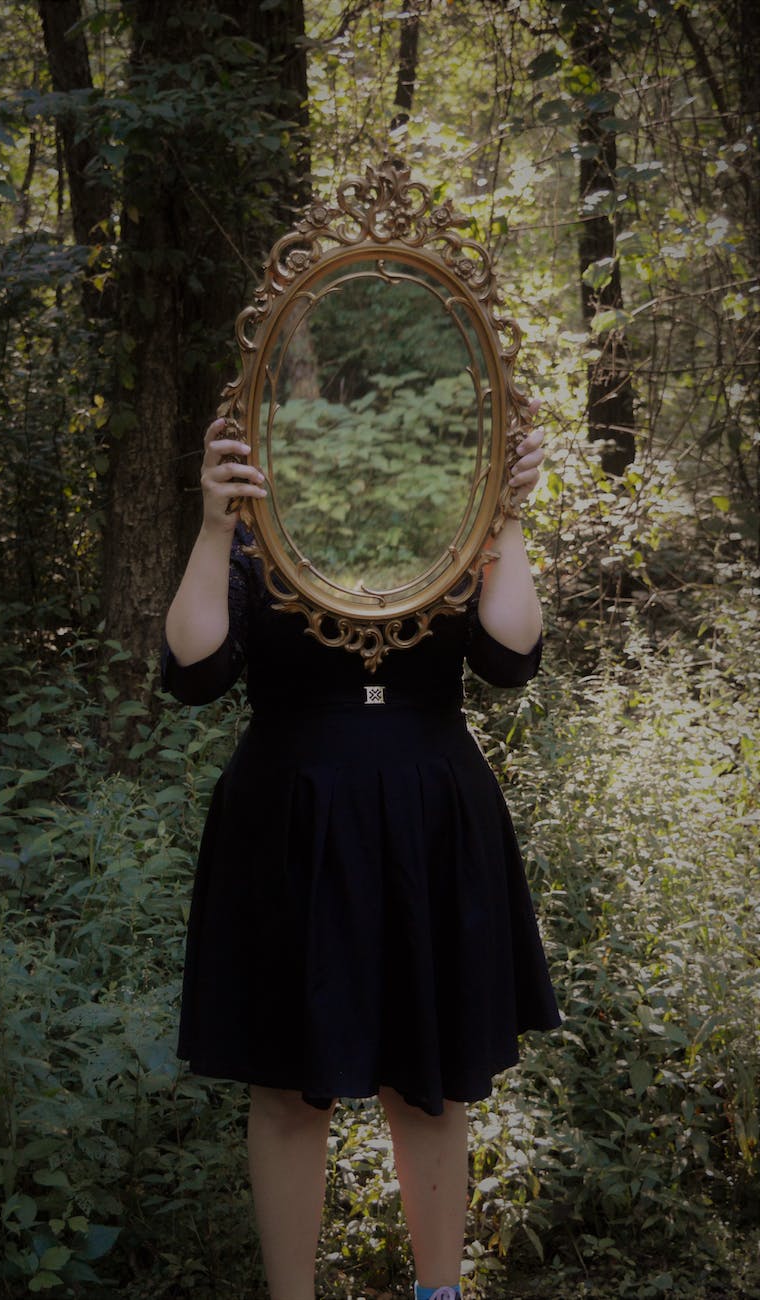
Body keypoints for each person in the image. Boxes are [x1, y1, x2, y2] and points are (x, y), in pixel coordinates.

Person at [161, 413, 560, 1300]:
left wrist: (507, 514)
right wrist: (213, 526)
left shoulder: (452, 519)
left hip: (430, 816)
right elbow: (193, 671)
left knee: (430, 1084)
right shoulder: (258, 530)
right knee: (284, 1087)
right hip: (289, 820)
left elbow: (511, 657)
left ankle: (439, 1294)